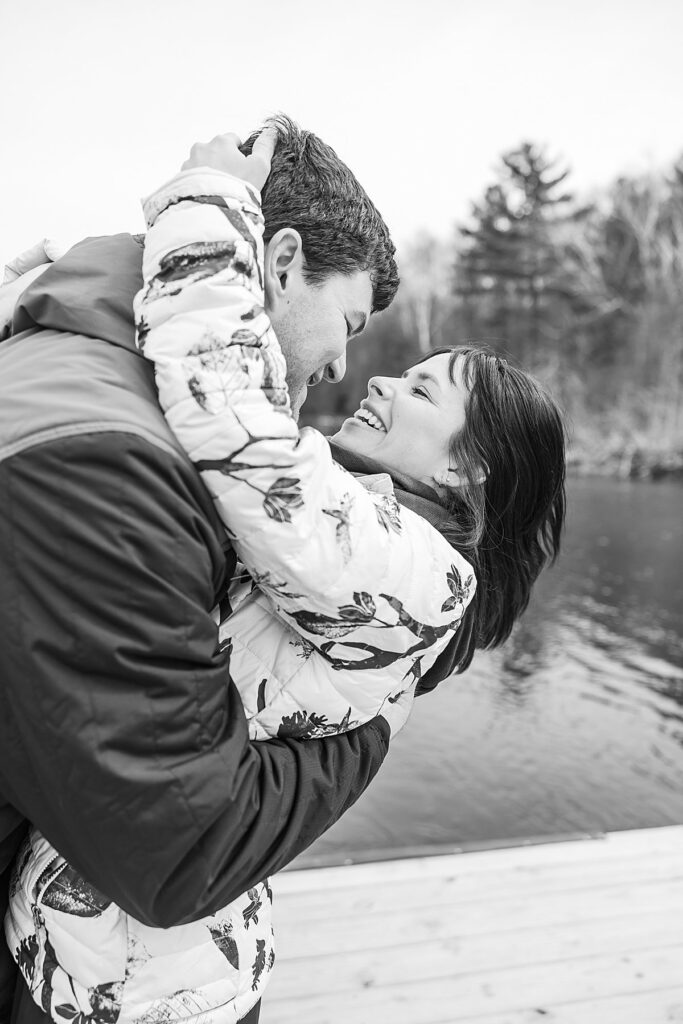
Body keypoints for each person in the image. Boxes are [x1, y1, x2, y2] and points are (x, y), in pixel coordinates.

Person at [4, 131, 566, 1022]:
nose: (367, 378)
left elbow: (235, 423)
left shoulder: (417, 574)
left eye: (420, 394)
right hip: (90, 949)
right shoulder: (339, 515)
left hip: (159, 987)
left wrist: (205, 209)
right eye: (373, 350)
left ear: (466, 470)